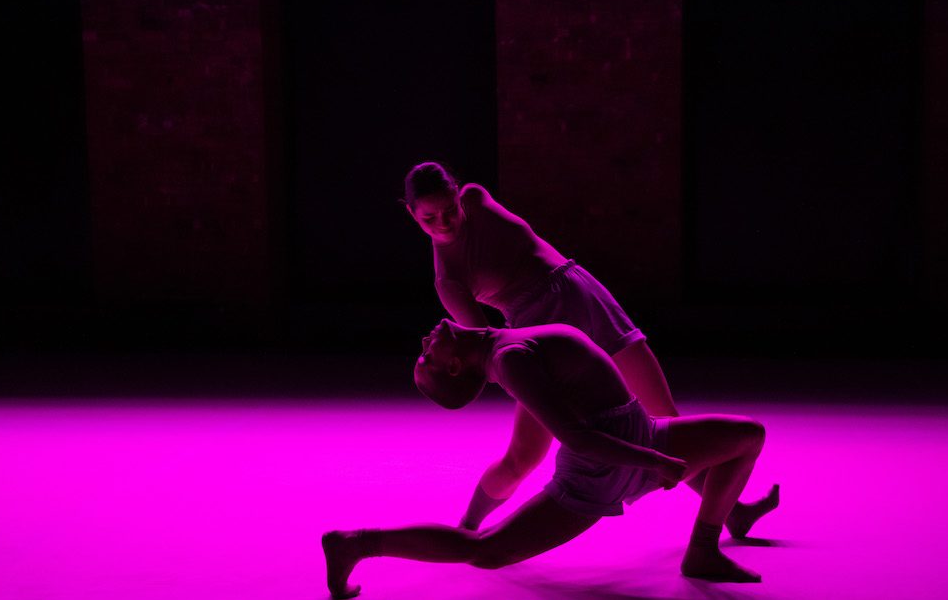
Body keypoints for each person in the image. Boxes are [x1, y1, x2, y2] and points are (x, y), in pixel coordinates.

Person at [322, 320, 778, 598]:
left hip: (641, 434)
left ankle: (702, 550)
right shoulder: (512, 358)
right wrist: (650, 461)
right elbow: (578, 437)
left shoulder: (502, 338)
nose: (425, 340)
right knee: (487, 551)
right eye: (427, 355)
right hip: (603, 469)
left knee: (746, 436)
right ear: (454, 366)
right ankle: (357, 543)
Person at [403, 161, 685, 530]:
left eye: (449, 210)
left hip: (579, 291)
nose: (444, 223)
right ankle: (466, 529)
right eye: (429, 218)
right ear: (412, 214)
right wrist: (528, 377)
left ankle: (729, 511)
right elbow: (481, 346)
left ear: (459, 196)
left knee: (665, 414)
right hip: (542, 329)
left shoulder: (475, 199)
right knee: (523, 456)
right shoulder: (449, 281)